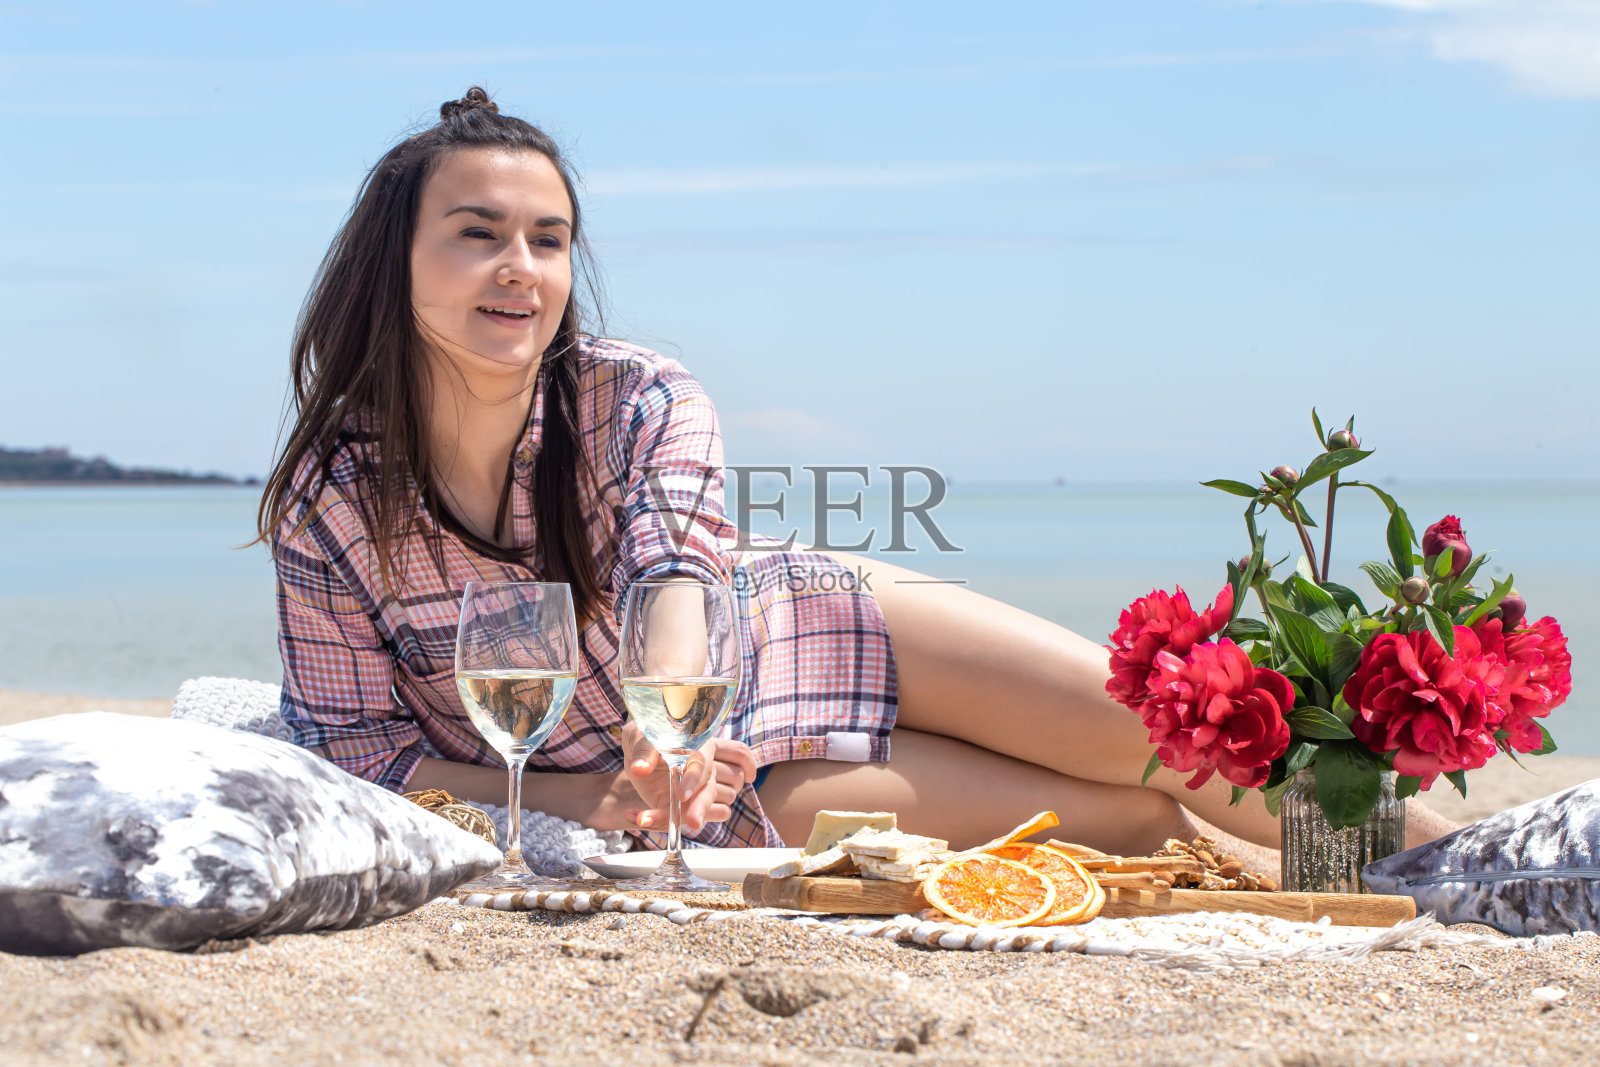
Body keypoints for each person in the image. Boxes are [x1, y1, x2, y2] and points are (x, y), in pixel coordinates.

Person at [260, 88, 1457, 857]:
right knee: (1127, 821)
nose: (520, 266)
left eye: (549, 238)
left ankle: (1467, 860)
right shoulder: (332, 501)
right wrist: (619, 794)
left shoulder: (636, 394)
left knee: (1187, 739)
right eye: (477, 232)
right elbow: (364, 751)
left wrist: (666, 719)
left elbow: (677, 566)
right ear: (395, 259)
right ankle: (1365, 869)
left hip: (792, 633)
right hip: (729, 787)